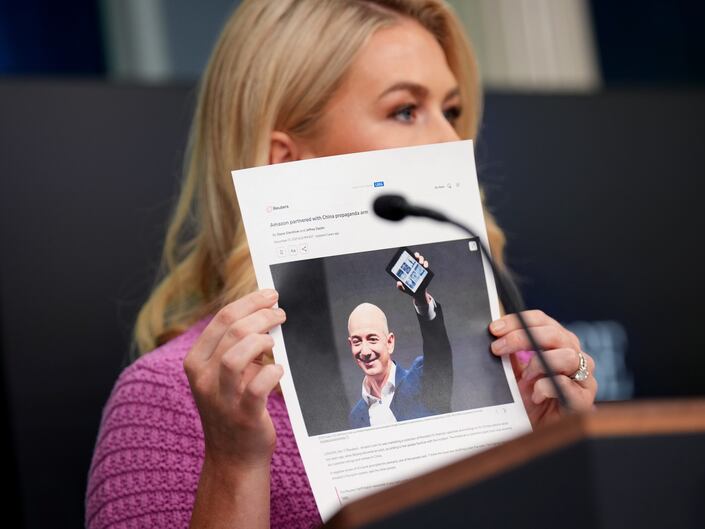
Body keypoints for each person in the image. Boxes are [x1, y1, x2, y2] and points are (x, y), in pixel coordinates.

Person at [85, 1, 598, 528]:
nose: (453, 142)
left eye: (452, 111)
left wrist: (560, 458)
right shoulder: (167, 400)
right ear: (285, 161)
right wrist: (235, 465)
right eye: (405, 110)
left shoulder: (514, 373)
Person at [348, 253, 453, 427]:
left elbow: (438, 351)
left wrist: (421, 299)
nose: (365, 351)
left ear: (389, 342)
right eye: (357, 341)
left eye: (372, 339)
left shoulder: (422, 378)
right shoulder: (356, 417)